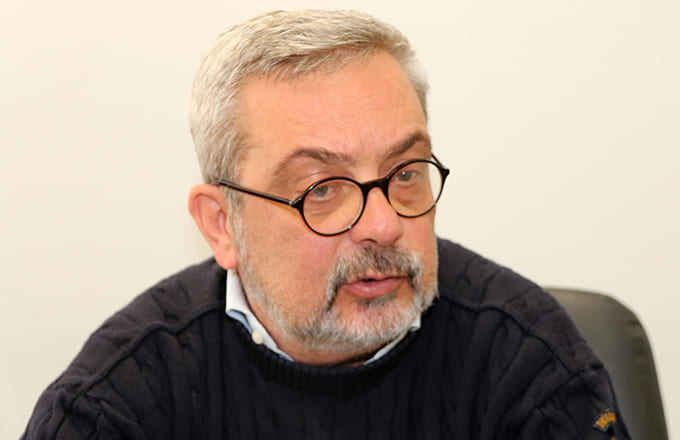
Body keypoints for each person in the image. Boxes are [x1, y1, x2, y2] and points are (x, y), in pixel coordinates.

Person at [23, 9, 629, 439]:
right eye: (323, 189)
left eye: (405, 172)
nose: (383, 224)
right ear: (221, 225)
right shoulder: (117, 404)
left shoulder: (528, 365)